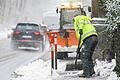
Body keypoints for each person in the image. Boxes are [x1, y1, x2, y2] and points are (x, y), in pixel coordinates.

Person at [73, 13, 98, 78]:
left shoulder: (78, 18)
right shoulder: (87, 20)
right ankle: (91, 72)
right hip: (94, 38)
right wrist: (79, 47)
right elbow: (81, 39)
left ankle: (86, 73)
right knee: (88, 56)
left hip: (88, 38)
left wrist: (80, 28)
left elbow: (81, 19)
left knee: (84, 56)